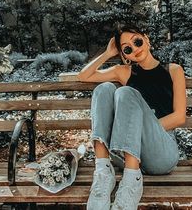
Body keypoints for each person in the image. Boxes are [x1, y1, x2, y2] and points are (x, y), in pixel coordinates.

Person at [77, 24, 186, 210]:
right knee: (104, 88)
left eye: (137, 41)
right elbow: (83, 76)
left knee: (126, 93)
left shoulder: (173, 70)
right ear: (124, 56)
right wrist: (107, 53)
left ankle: (131, 183)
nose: (135, 49)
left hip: (161, 153)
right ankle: (103, 173)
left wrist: (139, 129)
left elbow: (179, 117)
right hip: (125, 155)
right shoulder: (124, 72)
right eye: (127, 48)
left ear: (146, 39)